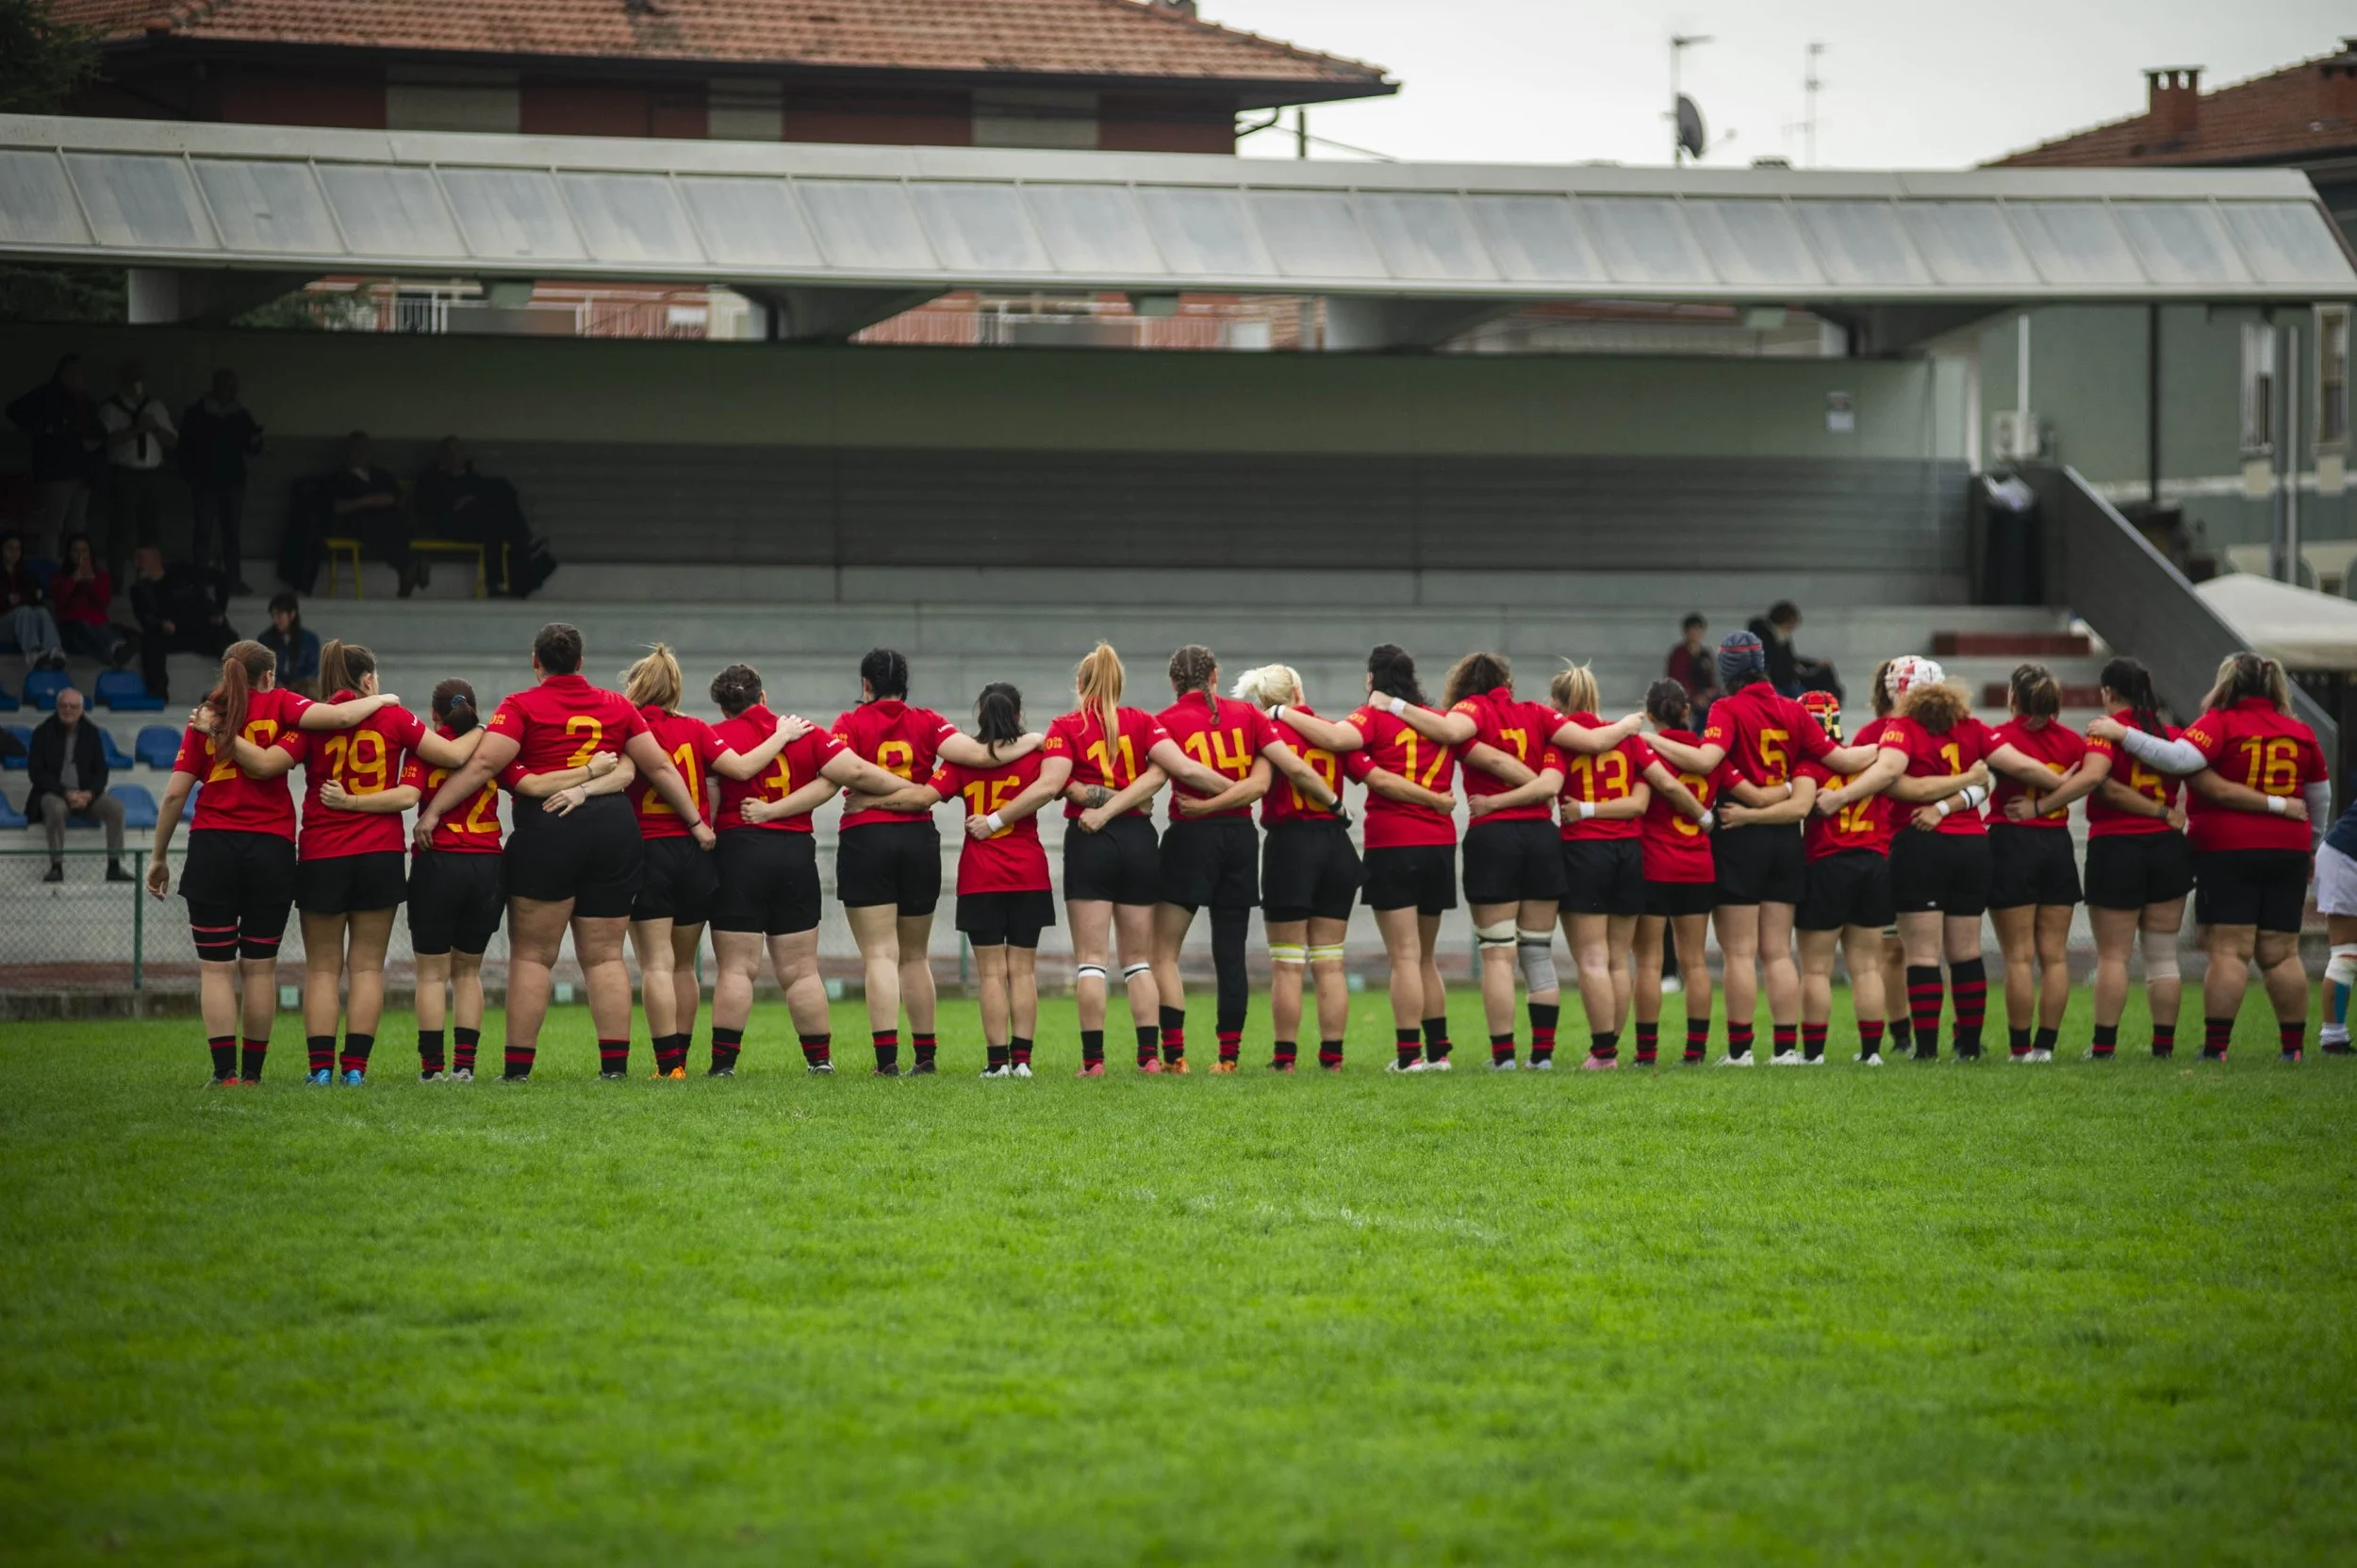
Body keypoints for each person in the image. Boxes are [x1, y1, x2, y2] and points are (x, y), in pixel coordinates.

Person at [416, 622, 707, 1081]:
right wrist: (695, 822)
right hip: (613, 830)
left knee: (533, 955)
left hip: (548, 829)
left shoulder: (521, 705)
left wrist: (433, 811)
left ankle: (518, 1070)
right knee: (606, 956)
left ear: (537, 662)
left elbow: (485, 763)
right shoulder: (616, 705)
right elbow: (659, 765)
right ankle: (614, 1068)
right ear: (580, 663)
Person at [205, 640, 488, 1086]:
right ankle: (354, 1069)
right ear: (369, 680)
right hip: (379, 853)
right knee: (366, 968)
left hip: (322, 852)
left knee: (321, 968)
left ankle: (320, 1069)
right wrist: (482, 728)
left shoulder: (309, 721)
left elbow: (266, 763)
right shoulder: (394, 716)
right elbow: (452, 756)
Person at [146, 643, 400, 1085]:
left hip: (213, 844)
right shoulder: (282, 704)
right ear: (268, 677)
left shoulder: (208, 716)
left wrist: (158, 856)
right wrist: (380, 697)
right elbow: (334, 720)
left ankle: (224, 1073)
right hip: (271, 847)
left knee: (216, 968)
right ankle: (253, 1074)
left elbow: (173, 794)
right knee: (259, 966)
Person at [1645, 632, 1885, 1065]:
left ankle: (1740, 1050)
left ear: (1728, 670)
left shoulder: (1727, 708)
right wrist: (1890, 746)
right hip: (1785, 840)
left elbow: (1703, 762)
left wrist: (1646, 740)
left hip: (1739, 836)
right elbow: (1845, 761)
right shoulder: (1794, 711)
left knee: (1739, 953)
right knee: (1777, 952)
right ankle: (1787, 1048)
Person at [2091, 652, 2332, 1062]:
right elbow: (2319, 796)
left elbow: (2179, 759)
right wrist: (2309, 844)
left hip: (2228, 847)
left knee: (2229, 950)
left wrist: (2122, 734)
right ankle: (2293, 1048)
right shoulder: (2300, 730)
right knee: (2282, 952)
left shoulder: (2221, 723)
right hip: (2288, 848)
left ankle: (2216, 1047)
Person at [1824, 658, 2054, 1061]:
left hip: (1919, 844)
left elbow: (1893, 778)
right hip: (1972, 846)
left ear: (1898, 691)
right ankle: (1968, 1047)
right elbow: (2019, 765)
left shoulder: (1900, 728)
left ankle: (1925, 1049)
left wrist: (1841, 797)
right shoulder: (1972, 726)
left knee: (1922, 953)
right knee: (1966, 951)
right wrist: (2070, 783)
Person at [828, 648, 1040, 1076]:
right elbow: (981, 755)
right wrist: (1034, 738)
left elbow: (840, 771)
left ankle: (887, 1061)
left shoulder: (849, 723)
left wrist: (870, 799)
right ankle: (925, 1056)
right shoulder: (928, 721)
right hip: (916, 839)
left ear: (865, 685)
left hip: (865, 838)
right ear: (905, 684)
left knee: (880, 956)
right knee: (915, 956)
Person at [1035, 643, 1228, 1077]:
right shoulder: (1145, 722)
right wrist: (1236, 790)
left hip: (1089, 840)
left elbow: (1063, 785)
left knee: (1091, 960)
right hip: (1140, 841)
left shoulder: (1064, 726)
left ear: (1081, 684)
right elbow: (1178, 771)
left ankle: (1094, 1063)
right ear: (1119, 684)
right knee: (1138, 960)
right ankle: (1149, 1058)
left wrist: (1098, 803)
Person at [1272, 646, 1465, 1073]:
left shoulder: (1373, 716)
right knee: (1426, 957)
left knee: (1404, 956)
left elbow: (1341, 742)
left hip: (1394, 842)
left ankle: (1410, 1056)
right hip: (1439, 845)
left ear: (1373, 679)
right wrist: (1437, 802)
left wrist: (1280, 714)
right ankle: (1439, 1053)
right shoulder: (1437, 723)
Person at [701, 663, 900, 1076]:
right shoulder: (803, 731)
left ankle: (723, 1065)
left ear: (722, 707)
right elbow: (857, 772)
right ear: (764, 695)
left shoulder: (717, 736)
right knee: (801, 968)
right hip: (794, 852)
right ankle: (819, 1061)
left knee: (737, 967)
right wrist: (910, 789)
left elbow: (711, 798)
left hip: (739, 852)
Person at [1376, 653, 1568, 1071]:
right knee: (1537, 952)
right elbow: (1559, 771)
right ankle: (1543, 1056)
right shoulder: (1539, 715)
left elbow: (1487, 756)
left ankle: (1503, 1057)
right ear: (1508, 681)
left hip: (1495, 837)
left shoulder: (1471, 711)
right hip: (1542, 837)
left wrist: (1390, 704)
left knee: (1498, 954)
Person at [1151, 644, 1325, 1072]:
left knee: (1162, 952)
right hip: (1240, 839)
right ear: (1215, 677)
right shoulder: (1250, 716)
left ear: (1173, 682)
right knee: (1230, 952)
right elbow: (1262, 783)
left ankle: (1175, 1055)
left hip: (1189, 837)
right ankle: (1228, 1057)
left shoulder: (1164, 721)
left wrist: (1205, 806)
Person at [2026, 658, 2196, 1058]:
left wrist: (2042, 805)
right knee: (2162, 954)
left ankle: (2104, 1046)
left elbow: (2099, 784)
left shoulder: (2103, 735)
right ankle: (2164, 1047)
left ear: (2109, 693)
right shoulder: (2173, 735)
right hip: (2168, 847)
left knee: (2113, 955)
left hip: (2117, 847)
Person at [1545, 663, 1712, 1069]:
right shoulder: (1630, 740)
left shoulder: (1561, 739)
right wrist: (1704, 817)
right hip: (1629, 852)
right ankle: (1612, 1047)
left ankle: (1604, 1051)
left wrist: (1580, 810)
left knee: (1591, 958)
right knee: (1619, 959)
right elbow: (1662, 789)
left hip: (1583, 851)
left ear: (1560, 702)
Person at [1234, 664, 1353, 1071]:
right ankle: (1332, 1058)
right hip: (1336, 844)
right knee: (1331, 960)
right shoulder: (1331, 730)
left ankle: (1285, 1059)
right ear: (1297, 690)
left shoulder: (1269, 734)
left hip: (1290, 846)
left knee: (1287, 962)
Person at [621, 645, 725, 1080]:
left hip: (649, 851)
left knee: (656, 965)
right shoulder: (698, 729)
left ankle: (668, 1065)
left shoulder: (628, 727)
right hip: (693, 851)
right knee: (685, 964)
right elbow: (718, 783)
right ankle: (681, 1056)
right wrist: (706, 824)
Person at [1984, 665, 2088, 1063]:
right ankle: (2044, 1047)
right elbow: (2088, 780)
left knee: (2018, 956)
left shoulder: (1999, 738)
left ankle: (2019, 1047)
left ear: (2013, 697)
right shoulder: (2073, 742)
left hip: (2011, 842)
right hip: (2056, 844)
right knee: (2055, 955)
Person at [1787, 691, 1894, 1065]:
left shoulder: (1807, 766)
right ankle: (1871, 1053)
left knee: (1816, 967)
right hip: (1873, 863)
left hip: (1827, 865)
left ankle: (1813, 1054)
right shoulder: (1871, 760)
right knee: (1866, 965)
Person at [1633, 679, 1732, 1065]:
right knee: (1694, 961)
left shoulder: (1644, 748)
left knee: (1649, 963)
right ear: (1687, 711)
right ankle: (1695, 1051)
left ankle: (1646, 1053)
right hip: (1697, 864)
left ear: (1652, 715)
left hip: (1655, 862)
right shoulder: (1710, 753)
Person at [28, 685, 130, 883]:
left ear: (81, 710)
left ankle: (114, 866)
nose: (68, 710)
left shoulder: (92, 733)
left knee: (116, 808)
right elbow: (36, 773)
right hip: (55, 793)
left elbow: (101, 771)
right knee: (54, 808)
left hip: (86, 796)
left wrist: (90, 794)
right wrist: (65, 792)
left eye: (73, 707)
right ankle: (56, 866)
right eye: (64, 706)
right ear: (57, 707)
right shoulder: (42, 732)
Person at [8, 355, 104, 559]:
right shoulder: (47, 395)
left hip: (83, 471)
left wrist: (94, 442)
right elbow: (15, 411)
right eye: (78, 373)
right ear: (66, 374)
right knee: (53, 524)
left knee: (77, 526)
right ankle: (49, 570)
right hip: (57, 471)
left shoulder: (86, 401)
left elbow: (98, 430)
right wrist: (43, 429)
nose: (83, 378)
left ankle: (75, 569)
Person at [413, 437, 534, 597]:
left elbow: (485, 497)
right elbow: (425, 507)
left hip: (479, 522)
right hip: (450, 524)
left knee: (501, 499)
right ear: (442, 455)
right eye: (450, 451)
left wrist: (472, 500)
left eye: (458, 450)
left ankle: (516, 576)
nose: (455, 455)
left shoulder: (473, 478)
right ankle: (513, 568)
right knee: (495, 525)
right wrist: (455, 505)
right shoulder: (431, 479)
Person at [177, 369, 262, 592]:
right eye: (227, 387)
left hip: (232, 482)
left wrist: (256, 441)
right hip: (204, 481)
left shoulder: (241, 415)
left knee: (231, 533)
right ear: (215, 387)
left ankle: (232, 580)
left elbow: (252, 446)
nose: (230, 392)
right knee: (203, 532)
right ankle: (200, 579)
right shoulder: (196, 414)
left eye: (233, 388)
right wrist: (191, 477)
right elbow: (184, 448)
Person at [96, 360, 176, 581]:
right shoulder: (111, 407)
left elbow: (172, 441)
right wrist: (136, 429)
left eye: (140, 378)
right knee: (121, 529)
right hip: (124, 474)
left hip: (152, 474)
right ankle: (115, 579)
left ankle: (151, 579)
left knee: (150, 530)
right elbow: (105, 441)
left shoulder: (155, 406)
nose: (137, 383)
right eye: (132, 378)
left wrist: (154, 428)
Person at [128, 545, 236, 701]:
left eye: (141, 559)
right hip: (173, 634)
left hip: (202, 628)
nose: (137, 564)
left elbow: (220, 579)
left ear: (155, 557)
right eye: (135, 560)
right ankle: (158, 694)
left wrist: (219, 610)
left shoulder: (182, 571)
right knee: (150, 643)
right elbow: (144, 618)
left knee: (230, 642)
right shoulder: (139, 589)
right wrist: (160, 624)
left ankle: (238, 692)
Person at [324, 433, 419, 597]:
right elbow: (336, 507)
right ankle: (409, 566)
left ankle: (409, 568)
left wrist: (392, 500)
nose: (362, 452)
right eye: (357, 448)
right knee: (374, 526)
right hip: (357, 521)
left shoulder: (381, 475)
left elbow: (400, 498)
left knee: (399, 523)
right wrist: (366, 501)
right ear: (349, 451)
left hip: (388, 520)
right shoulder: (338, 478)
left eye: (365, 448)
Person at [49, 535, 132, 666]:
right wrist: (74, 579)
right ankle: (111, 653)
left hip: (98, 625)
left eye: (84, 551)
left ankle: (116, 648)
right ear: (69, 554)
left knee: (108, 629)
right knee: (81, 628)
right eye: (75, 551)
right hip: (71, 628)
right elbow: (59, 600)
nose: (80, 555)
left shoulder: (101, 576)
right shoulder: (58, 577)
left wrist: (91, 583)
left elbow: (103, 603)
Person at [1750, 602, 1841, 701]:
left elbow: (1790, 660)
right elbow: (1772, 662)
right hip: (1775, 682)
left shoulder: (1782, 637)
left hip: (1786, 680)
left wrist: (1814, 663)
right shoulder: (1765, 637)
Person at [2, 532, 66, 669]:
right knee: (24, 611)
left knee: (41, 611)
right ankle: (33, 653)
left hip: (24, 625)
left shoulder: (27, 573)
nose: (14, 552)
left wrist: (19, 598)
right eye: (10, 548)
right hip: (3, 624)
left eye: (18, 548)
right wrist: (25, 597)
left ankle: (56, 651)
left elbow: (37, 598)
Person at [258, 593, 321, 697]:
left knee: (312, 688)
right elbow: (264, 668)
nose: (275, 620)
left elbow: (312, 669)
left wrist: (296, 685)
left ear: (292, 614)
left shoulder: (309, 639)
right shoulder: (265, 639)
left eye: (279, 615)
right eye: (273, 616)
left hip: (302, 686)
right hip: (275, 685)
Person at [1665, 613, 1721, 723]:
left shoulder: (1705, 653)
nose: (1696, 633)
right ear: (1686, 632)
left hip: (1705, 694)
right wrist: (1694, 697)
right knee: (1701, 710)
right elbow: (1677, 681)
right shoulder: (1678, 654)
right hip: (1686, 696)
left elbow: (1710, 678)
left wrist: (1712, 690)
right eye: (1693, 630)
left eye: (1699, 629)